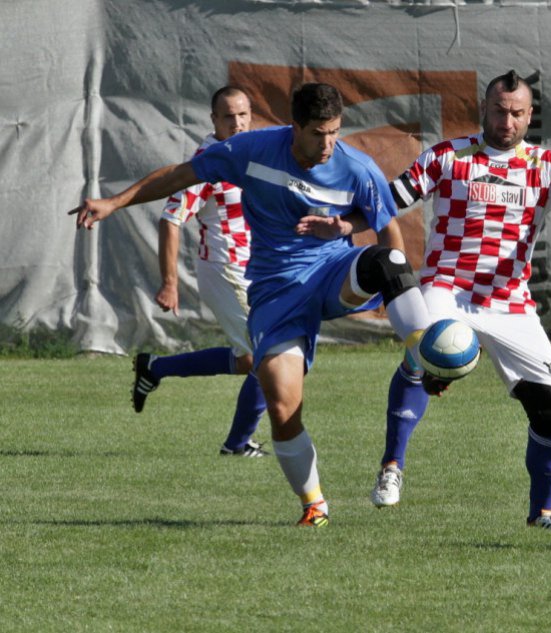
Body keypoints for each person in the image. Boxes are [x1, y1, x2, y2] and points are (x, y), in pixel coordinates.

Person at [301, 70, 551, 531]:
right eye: (498, 110)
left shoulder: (547, 165)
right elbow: (392, 199)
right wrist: (345, 225)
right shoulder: (448, 156)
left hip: (509, 300)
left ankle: (541, 513)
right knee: (422, 351)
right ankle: (392, 466)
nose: (506, 121)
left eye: (516, 113)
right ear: (483, 110)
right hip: (447, 289)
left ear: (529, 117)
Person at [70, 82, 434, 527]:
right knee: (282, 407)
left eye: (335, 132)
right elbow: (180, 175)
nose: (328, 144)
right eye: (318, 133)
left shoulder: (356, 167)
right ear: (294, 126)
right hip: (276, 292)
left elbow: (388, 237)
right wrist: (114, 202)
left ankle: (426, 356)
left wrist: (342, 232)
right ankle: (314, 505)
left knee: (390, 261)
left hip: (334, 273)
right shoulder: (252, 150)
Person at [133, 85, 267, 458]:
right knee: (266, 358)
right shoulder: (210, 162)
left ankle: (155, 368)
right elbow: (170, 219)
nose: (237, 123)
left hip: (252, 270)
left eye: (242, 114)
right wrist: (169, 283)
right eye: (228, 116)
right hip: (226, 272)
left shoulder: (253, 153)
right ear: (214, 121)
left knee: (247, 360)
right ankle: (237, 445)